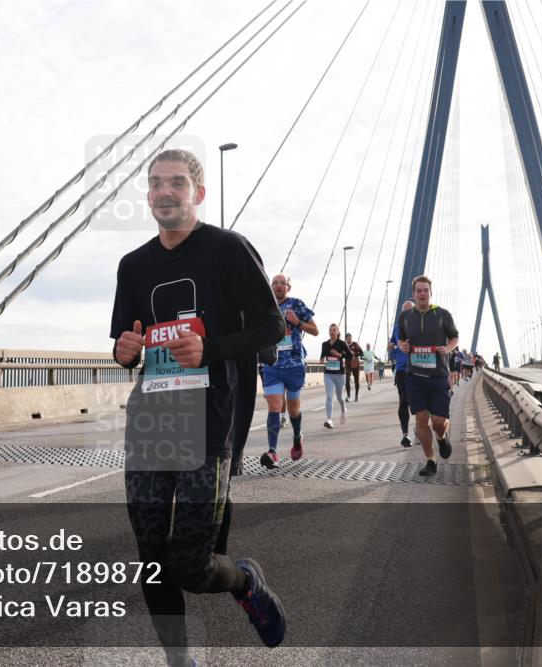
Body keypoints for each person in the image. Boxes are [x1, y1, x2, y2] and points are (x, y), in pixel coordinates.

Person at [111, 149, 287, 663]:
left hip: (208, 424)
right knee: (151, 559)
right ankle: (179, 660)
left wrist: (209, 350)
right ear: (148, 196)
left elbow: (271, 326)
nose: (164, 191)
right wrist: (123, 351)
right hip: (150, 423)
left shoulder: (228, 249)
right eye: (155, 183)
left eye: (177, 183)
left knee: (191, 567)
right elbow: (126, 344)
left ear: (198, 194)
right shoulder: (133, 266)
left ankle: (245, 581)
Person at [396, 275, 460, 477]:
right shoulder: (405, 317)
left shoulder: (443, 314)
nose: (422, 294)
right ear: (414, 294)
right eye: (419, 290)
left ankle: (441, 437)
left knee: (438, 422)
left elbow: (454, 337)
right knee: (421, 418)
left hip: (438, 376)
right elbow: (402, 340)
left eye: (425, 290)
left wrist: (448, 348)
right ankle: (430, 460)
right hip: (414, 376)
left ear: (431, 292)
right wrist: (403, 346)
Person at [258, 273, 318, 467]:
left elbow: (315, 330)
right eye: (275, 283)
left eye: (282, 283)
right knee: (274, 407)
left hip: (293, 365)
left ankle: (297, 436)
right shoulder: (264, 307)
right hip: (272, 365)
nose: (278, 286)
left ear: (288, 287)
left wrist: (298, 322)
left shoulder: (297, 305)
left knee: (293, 410)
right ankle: (273, 452)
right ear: (271, 286)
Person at [388, 300, 414, 447]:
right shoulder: (397, 328)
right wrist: (391, 347)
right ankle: (405, 434)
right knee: (404, 401)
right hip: (402, 369)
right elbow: (392, 343)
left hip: (419, 368)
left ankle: (421, 427)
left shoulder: (421, 326)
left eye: (411, 311)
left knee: (419, 403)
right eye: (405, 311)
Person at [320, 323, 352, 429]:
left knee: (339, 397)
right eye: (330, 330)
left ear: (338, 332)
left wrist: (339, 354)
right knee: (329, 396)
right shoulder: (325, 344)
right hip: (328, 373)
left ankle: (343, 410)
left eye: (334, 330)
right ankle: (329, 419)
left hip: (339, 374)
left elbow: (350, 356)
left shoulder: (342, 343)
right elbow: (322, 356)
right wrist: (322, 359)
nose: (332, 331)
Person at [344, 333, 363, 401]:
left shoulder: (355, 344)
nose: (349, 339)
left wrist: (355, 353)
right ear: (346, 339)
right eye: (348, 338)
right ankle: (348, 396)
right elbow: (342, 354)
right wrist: (345, 354)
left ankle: (356, 395)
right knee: (347, 380)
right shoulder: (344, 345)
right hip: (348, 365)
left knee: (356, 381)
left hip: (356, 364)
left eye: (350, 338)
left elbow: (361, 353)